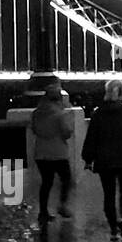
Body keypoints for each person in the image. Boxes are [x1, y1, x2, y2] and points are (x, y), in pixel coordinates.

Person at [82, 79, 122, 240]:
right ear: (121, 93)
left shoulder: (98, 113)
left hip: (105, 161)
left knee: (108, 195)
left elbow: (91, 138)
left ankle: (113, 230)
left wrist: (88, 158)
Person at [31, 77, 74, 224]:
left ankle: (43, 212)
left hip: (41, 153)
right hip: (58, 153)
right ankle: (62, 205)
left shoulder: (37, 113)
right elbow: (67, 132)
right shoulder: (60, 114)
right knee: (66, 179)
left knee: (46, 182)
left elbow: (35, 130)